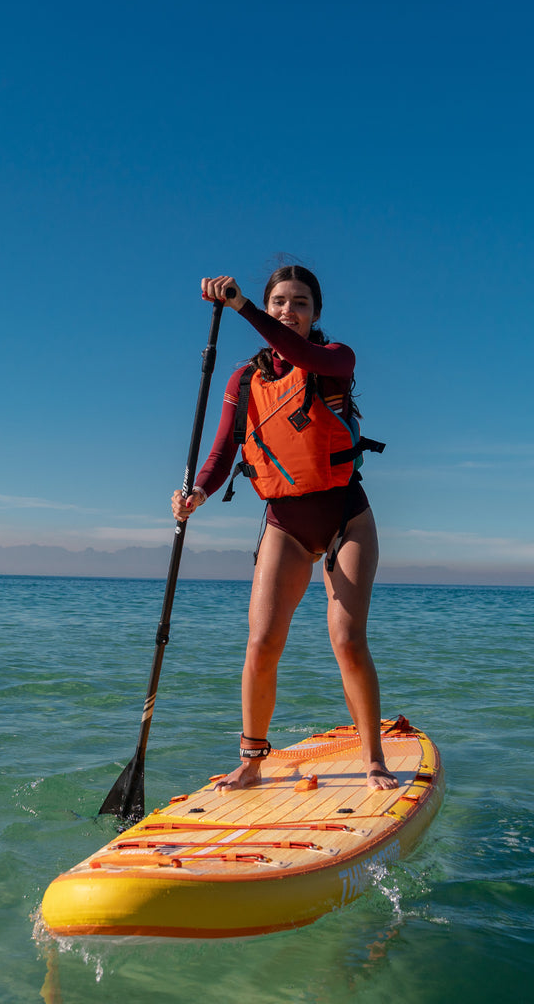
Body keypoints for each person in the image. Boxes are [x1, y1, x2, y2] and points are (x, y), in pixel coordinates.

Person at [171, 266, 399, 792]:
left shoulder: (336, 359)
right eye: (277, 302)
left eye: (299, 303)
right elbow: (226, 447)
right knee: (262, 642)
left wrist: (243, 307)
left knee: (346, 639)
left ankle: (373, 759)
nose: (287, 311)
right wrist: (198, 492)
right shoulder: (243, 379)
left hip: (346, 517)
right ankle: (251, 761)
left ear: (316, 313)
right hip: (284, 522)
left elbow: (303, 357)